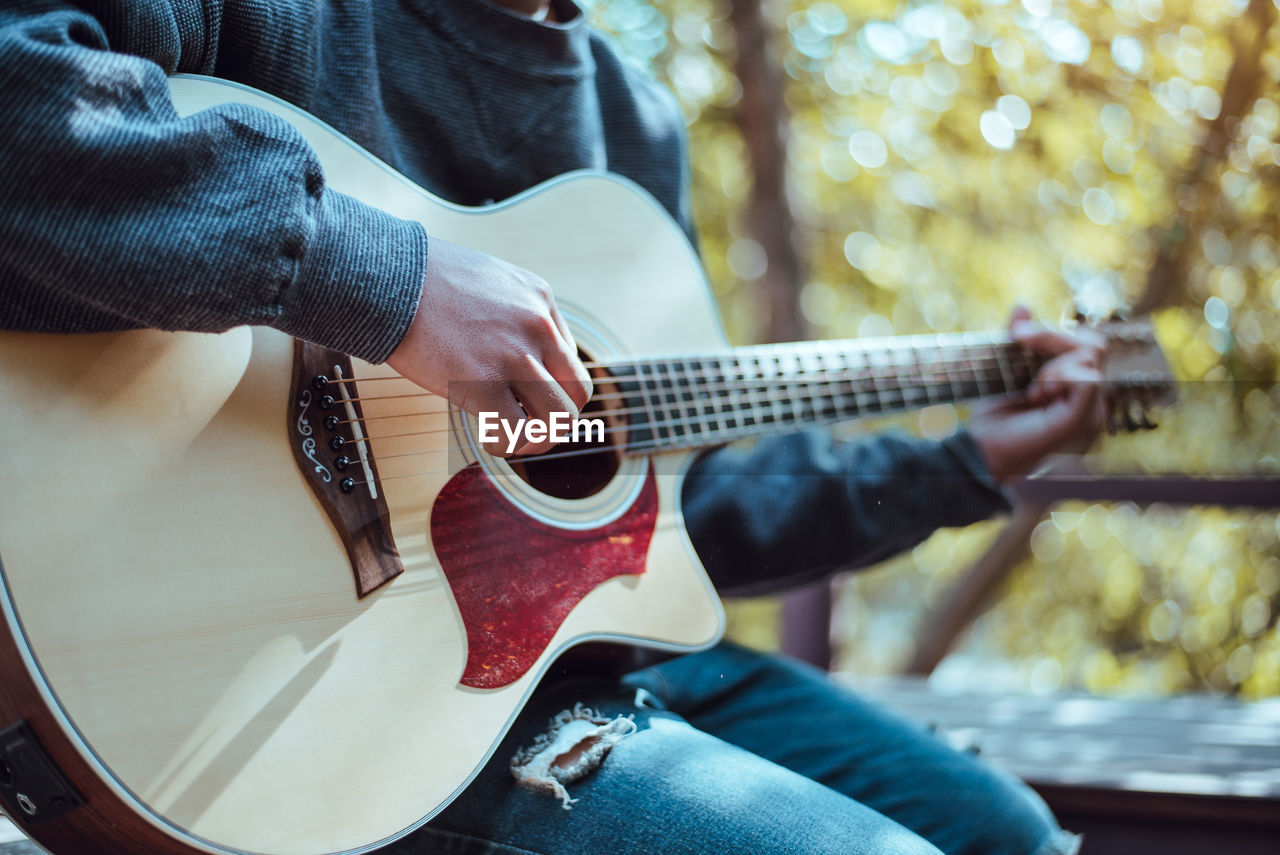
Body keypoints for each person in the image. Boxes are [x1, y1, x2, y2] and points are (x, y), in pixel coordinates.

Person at [0, 1, 1103, 853]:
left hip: (568, 674)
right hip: (315, 721)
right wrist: (391, 286)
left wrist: (965, 463)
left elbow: (673, 521)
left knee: (1006, 835)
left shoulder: (632, 125)